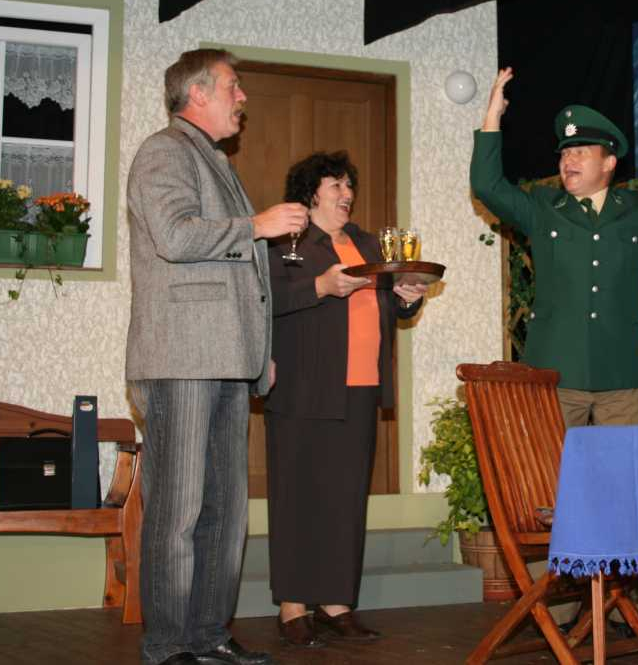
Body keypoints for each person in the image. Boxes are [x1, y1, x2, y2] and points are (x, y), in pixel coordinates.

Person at [126, 49, 308, 665]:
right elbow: (175, 236)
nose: (243, 97)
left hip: (228, 359)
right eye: (233, 85)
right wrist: (256, 225)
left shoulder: (216, 161)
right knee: (177, 510)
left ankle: (207, 636)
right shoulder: (164, 151)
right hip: (180, 358)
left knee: (226, 513)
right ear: (197, 93)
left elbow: (240, 277)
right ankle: (167, 645)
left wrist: (260, 351)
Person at [470, 67, 638, 429]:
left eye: (581, 152)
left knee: (621, 465)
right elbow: (486, 185)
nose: (569, 161)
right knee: (553, 466)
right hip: (553, 374)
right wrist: (493, 116)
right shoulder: (542, 208)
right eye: (565, 153)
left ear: (609, 163)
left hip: (621, 376)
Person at [265, 151, 428, 649]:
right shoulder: (284, 243)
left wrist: (407, 298)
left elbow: (385, 306)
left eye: (349, 185)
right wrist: (321, 285)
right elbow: (264, 302)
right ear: (310, 193)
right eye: (336, 185)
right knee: (298, 497)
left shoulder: (366, 243)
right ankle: (293, 606)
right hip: (302, 386)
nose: (347, 193)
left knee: (346, 498)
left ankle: (337, 603)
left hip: (360, 387)